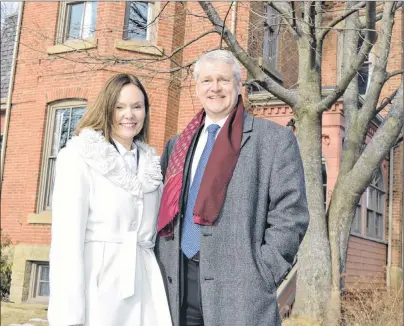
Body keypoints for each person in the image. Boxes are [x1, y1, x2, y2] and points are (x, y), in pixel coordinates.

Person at [155, 50, 309, 326]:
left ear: (239, 86)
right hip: (178, 286)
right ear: (198, 87)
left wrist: (264, 270)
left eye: (224, 80)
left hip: (242, 291)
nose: (215, 88)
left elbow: (291, 214)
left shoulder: (273, 140)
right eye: (207, 81)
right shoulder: (177, 145)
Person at [48, 73, 172, 326]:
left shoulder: (151, 164)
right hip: (99, 284)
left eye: (137, 107)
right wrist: (68, 316)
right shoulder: (79, 157)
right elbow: (66, 241)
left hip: (145, 283)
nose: (130, 115)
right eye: (120, 107)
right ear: (107, 109)